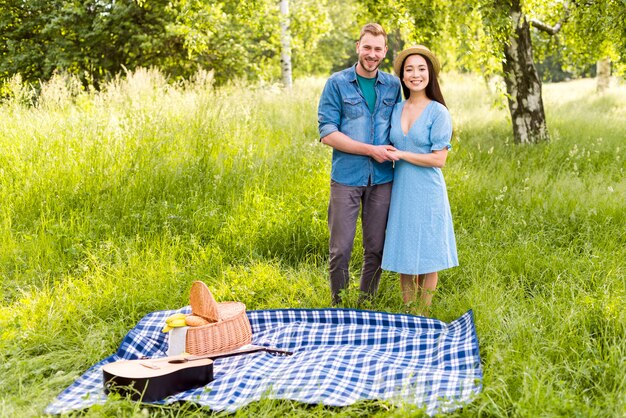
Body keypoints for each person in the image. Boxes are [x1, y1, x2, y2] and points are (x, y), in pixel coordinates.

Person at [317, 23, 402, 305]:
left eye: (378, 49)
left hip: (382, 180)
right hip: (346, 178)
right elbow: (328, 133)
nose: (372, 54)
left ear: (385, 51)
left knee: (375, 248)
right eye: (367, 47)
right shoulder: (337, 84)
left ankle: (366, 304)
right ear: (357, 47)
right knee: (340, 249)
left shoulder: (392, 85)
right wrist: (371, 150)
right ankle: (339, 306)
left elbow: (401, 127)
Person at [381, 45, 458, 315]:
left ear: (430, 74)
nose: (416, 74)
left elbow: (439, 159)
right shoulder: (396, 109)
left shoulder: (438, 112)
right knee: (404, 249)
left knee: (427, 253)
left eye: (421, 69)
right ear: (402, 76)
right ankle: (407, 310)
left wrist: (401, 153)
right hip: (401, 188)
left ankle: (423, 313)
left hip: (427, 190)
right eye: (409, 69)